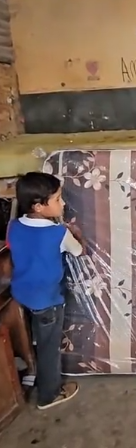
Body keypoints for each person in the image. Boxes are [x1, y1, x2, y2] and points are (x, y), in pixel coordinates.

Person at [7, 172, 85, 410]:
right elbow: (78, 252)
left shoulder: (13, 226)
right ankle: (48, 395)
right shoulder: (58, 233)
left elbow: (14, 247)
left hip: (21, 294)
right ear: (39, 206)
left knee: (32, 337)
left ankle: (31, 371)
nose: (62, 204)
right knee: (49, 347)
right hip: (48, 300)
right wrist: (77, 235)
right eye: (58, 199)